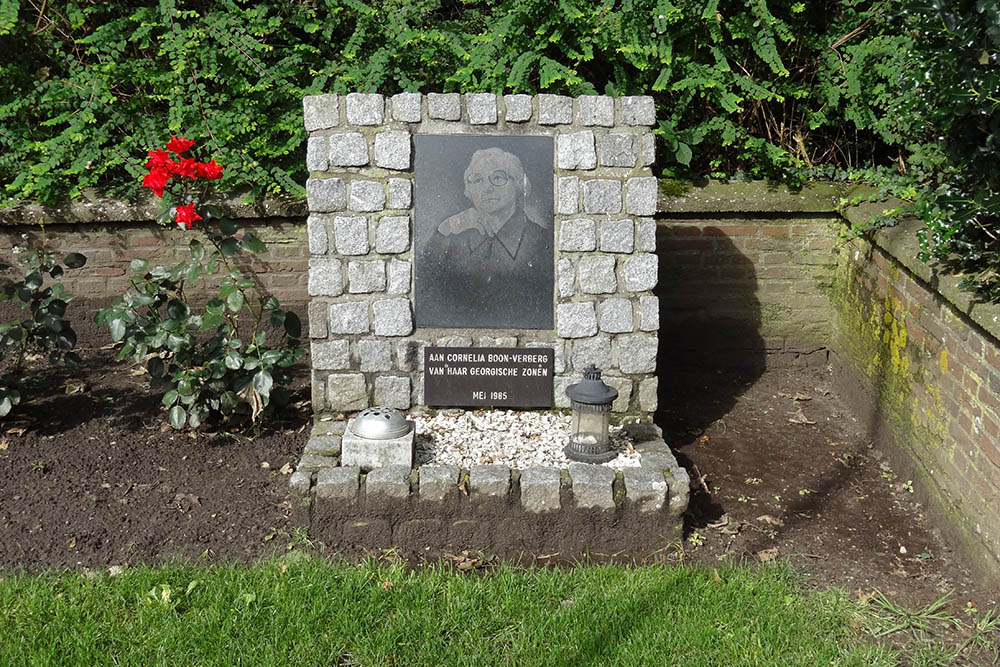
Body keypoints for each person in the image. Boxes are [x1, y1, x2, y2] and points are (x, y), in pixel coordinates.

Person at [417, 147, 553, 329]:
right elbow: (424, 291)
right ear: (469, 190)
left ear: (518, 185)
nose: (487, 188)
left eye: (498, 178)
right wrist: (444, 230)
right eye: (477, 180)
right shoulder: (450, 237)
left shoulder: (542, 242)